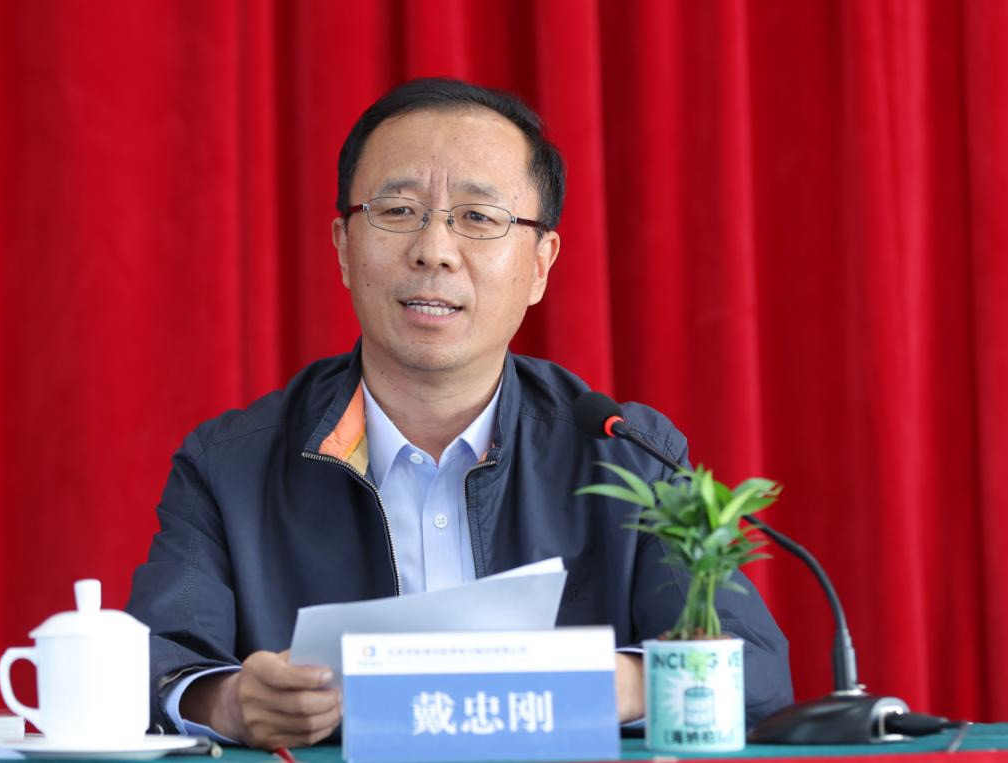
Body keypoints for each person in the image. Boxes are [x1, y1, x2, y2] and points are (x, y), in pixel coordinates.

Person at [125, 77, 793, 750]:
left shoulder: (627, 456)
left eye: (478, 217)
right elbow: (149, 668)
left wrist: (583, 679)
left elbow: (755, 673)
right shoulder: (231, 466)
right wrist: (230, 702)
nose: (435, 250)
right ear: (344, 247)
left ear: (540, 264)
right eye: (398, 210)